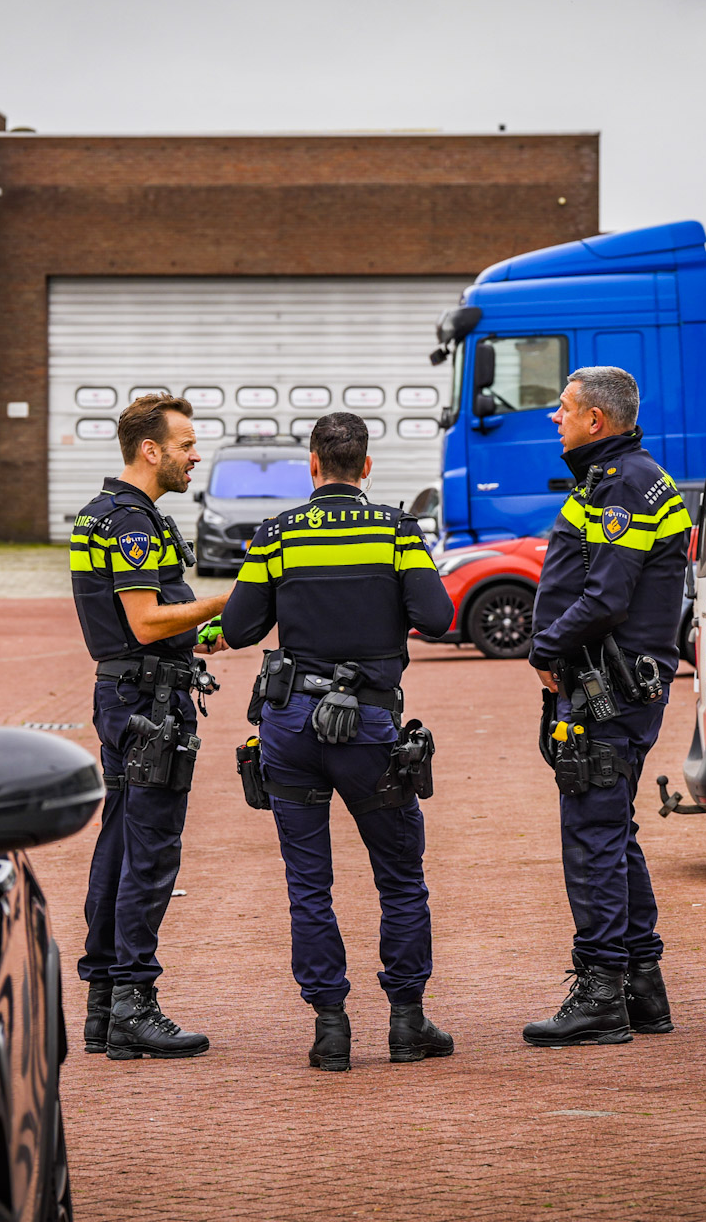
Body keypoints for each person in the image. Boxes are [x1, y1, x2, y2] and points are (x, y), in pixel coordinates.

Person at [220, 412, 456, 1071]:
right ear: (367, 467)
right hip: (369, 730)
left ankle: (330, 1028)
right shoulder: (397, 532)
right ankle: (407, 1023)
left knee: (308, 882)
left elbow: (239, 629)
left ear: (313, 467)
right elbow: (439, 618)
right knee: (400, 876)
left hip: (290, 726)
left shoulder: (277, 535)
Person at [523, 366, 691, 1046]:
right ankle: (642, 986)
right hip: (620, 686)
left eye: (563, 408)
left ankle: (600, 993)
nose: (553, 418)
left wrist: (543, 649)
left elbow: (606, 597)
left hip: (607, 691)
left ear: (597, 419)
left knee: (591, 836)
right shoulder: (625, 477)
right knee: (613, 831)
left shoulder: (622, 485)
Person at [70, 393, 229, 1061]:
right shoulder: (131, 522)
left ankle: (105, 1005)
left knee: (117, 845)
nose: (196, 456)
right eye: (187, 445)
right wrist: (241, 594)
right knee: (150, 852)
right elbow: (142, 621)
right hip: (148, 706)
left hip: (127, 693)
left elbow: (151, 621)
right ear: (150, 450)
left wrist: (198, 629)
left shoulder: (103, 515)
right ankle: (136, 1000)